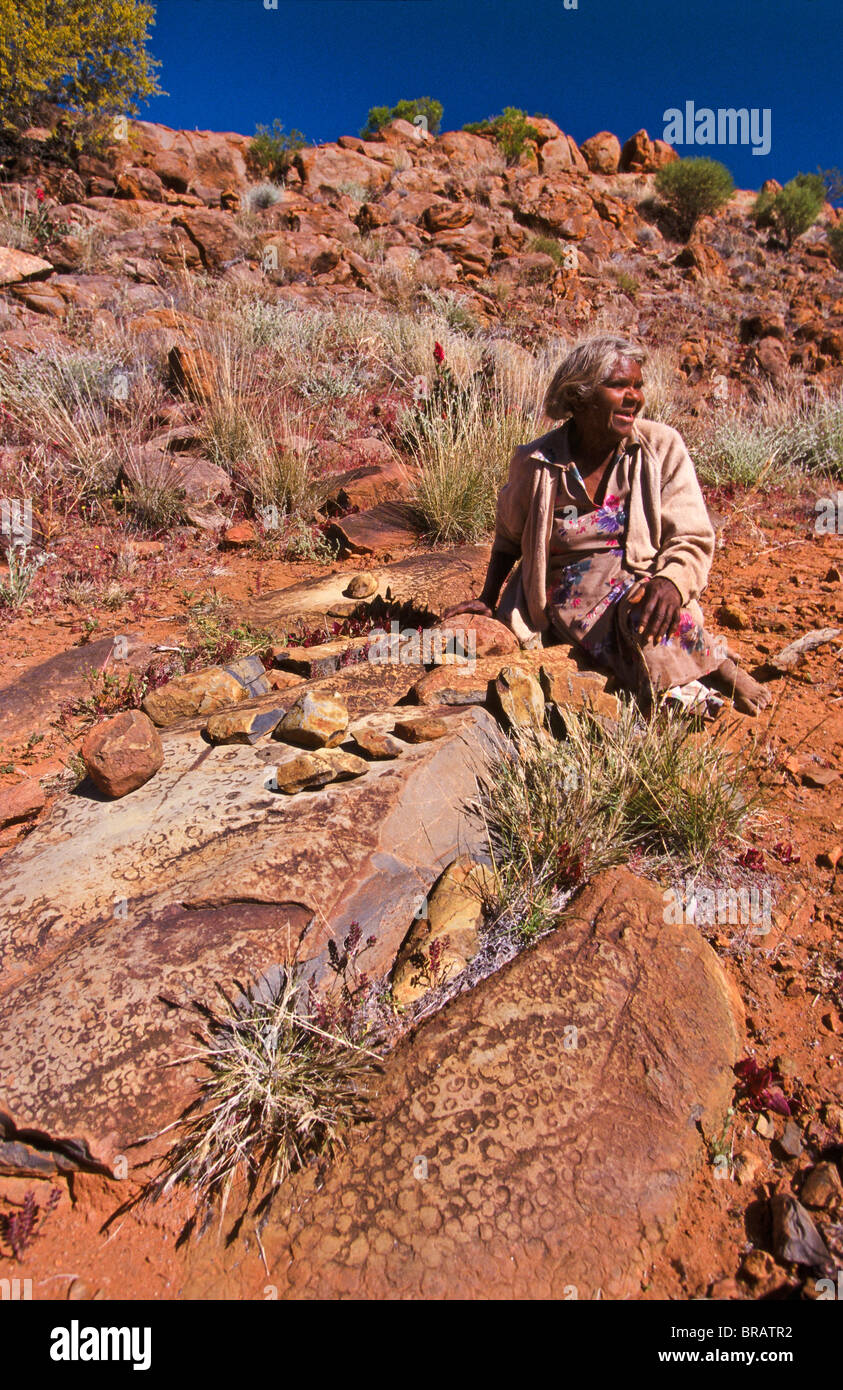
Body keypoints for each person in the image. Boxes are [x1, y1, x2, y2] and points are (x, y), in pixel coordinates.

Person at [444, 334, 771, 716]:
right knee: (626, 622)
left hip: (638, 576)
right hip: (566, 592)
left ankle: (717, 669)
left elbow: (692, 535)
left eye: (638, 386)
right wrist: (488, 597)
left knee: (645, 606)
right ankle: (694, 678)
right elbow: (508, 537)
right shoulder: (536, 462)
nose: (633, 396)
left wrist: (672, 582)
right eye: (618, 385)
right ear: (580, 395)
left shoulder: (661, 447)